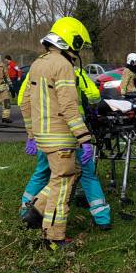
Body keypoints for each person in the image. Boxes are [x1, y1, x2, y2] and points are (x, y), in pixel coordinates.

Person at [19, 17, 95, 249]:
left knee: (63, 177)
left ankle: (37, 208)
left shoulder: (37, 64)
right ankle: (54, 238)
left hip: (43, 136)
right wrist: (84, 138)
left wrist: (32, 134)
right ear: (72, 40)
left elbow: (25, 103)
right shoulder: (63, 66)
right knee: (62, 185)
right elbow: (69, 107)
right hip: (61, 137)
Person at [18, 64, 112, 230]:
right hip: (74, 130)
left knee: (42, 172)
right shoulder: (75, 71)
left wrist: (31, 135)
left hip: (46, 132)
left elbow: (22, 101)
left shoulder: (37, 70)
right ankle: (102, 219)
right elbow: (94, 95)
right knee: (87, 174)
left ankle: (26, 210)